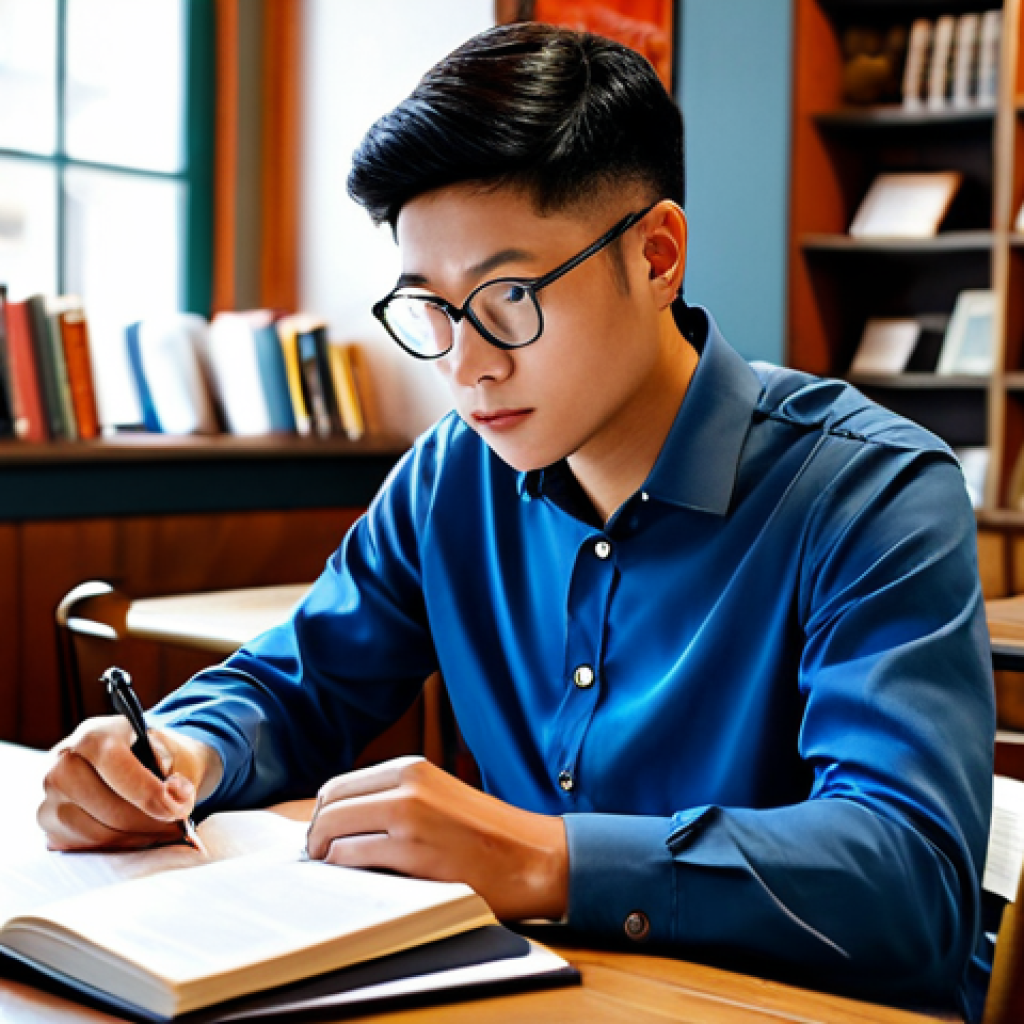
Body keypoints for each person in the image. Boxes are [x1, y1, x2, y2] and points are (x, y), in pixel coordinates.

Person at [39, 21, 995, 1020]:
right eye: (431, 305)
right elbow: (300, 681)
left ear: (657, 254)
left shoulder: (868, 490)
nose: (465, 364)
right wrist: (179, 755)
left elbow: (908, 883)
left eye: (507, 295)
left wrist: (541, 855)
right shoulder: (454, 474)